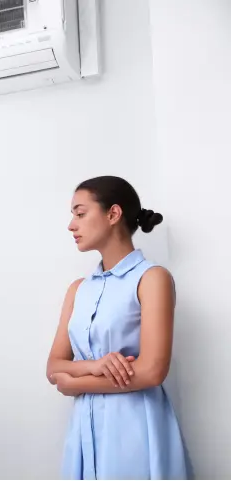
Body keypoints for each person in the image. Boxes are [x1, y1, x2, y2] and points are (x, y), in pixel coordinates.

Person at [46, 175, 192, 479]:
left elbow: (151, 372)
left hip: (136, 427)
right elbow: (53, 366)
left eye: (80, 213)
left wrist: (73, 383)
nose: (71, 225)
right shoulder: (78, 289)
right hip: (84, 429)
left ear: (113, 214)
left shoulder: (152, 278)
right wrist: (97, 365)